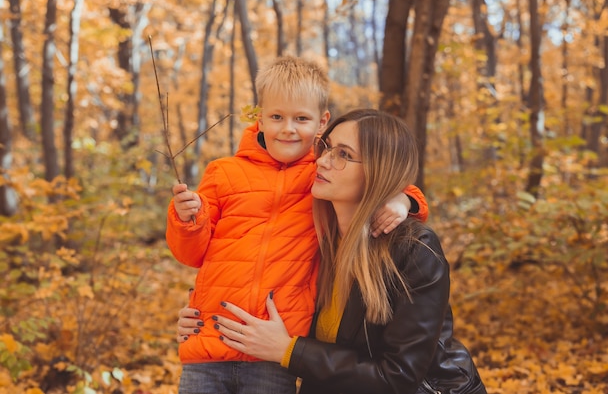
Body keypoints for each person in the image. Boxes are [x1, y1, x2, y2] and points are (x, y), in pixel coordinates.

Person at [167, 57, 429, 394]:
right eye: (276, 117)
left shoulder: (321, 172)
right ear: (260, 117)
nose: (288, 129)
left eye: (300, 119)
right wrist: (188, 221)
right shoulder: (223, 172)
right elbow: (191, 254)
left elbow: (380, 179)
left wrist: (403, 200)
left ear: (322, 122)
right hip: (208, 344)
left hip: (274, 351)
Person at [187, 109, 487, 394]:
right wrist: (203, 319)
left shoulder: (414, 250)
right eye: (327, 148)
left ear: (377, 171)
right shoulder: (317, 241)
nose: (322, 161)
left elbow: (399, 378)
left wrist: (288, 350)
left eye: (344, 155)